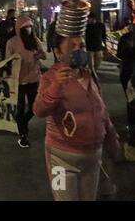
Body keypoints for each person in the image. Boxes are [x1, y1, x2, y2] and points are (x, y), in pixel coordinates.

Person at [33, 34, 120, 200]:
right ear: (58, 53)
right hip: (60, 160)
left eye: (82, 46)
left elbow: (102, 111)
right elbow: (39, 110)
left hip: (92, 158)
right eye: (72, 46)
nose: (79, 50)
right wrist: (57, 86)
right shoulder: (49, 78)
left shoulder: (89, 74)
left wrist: (111, 138)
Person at [6, 16, 46, 147]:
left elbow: (43, 55)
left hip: (34, 78)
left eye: (30, 27)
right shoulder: (12, 42)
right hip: (18, 80)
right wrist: (14, 61)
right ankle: (23, 135)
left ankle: (22, 122)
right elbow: (7, 60)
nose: (28, 29)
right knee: (21, 107)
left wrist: (37, 55)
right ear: (19, 29)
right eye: (25, 27)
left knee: (34, 107)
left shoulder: (34, 40)